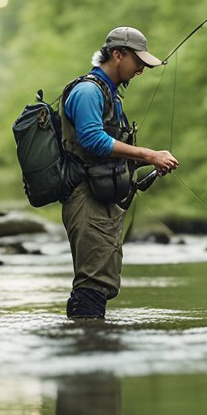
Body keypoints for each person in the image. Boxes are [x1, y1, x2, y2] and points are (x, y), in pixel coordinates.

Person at [59, 26, 179, 319]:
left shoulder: (110, 95)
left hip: (102, 200)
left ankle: (91, 344)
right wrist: (150, 154)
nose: (141, 69)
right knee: (92, 285)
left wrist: (144, 163)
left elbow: (106, 152)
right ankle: (87, 346)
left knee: (101, 283)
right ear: (117, 54)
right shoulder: (88, 91)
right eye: (138, 62)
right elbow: (92, 140)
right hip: (86, 199)